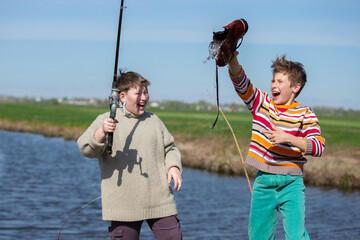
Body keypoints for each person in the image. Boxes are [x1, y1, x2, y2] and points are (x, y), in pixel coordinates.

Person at [215, 19, 326, 239]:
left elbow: (318, 146)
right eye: (273, 80)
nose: (274, 85)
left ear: (296, 87)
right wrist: (231, 57)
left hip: (292, 184)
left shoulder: (305, 113)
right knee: (258, 235)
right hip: (263, 181)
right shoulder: (261, 103)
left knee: (296, 235)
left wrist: (288, 138)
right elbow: (241, 82)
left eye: (280, 81)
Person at [77, 71, 183, 240]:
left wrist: (174, 167)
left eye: (146, 92)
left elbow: (170, 148)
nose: (144, 97)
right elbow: (85, 149)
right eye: (138, 93)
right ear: (123, 96)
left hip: (160, 200)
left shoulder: (154, 120)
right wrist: (102, 132)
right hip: (123, 206)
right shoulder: (106, 119)